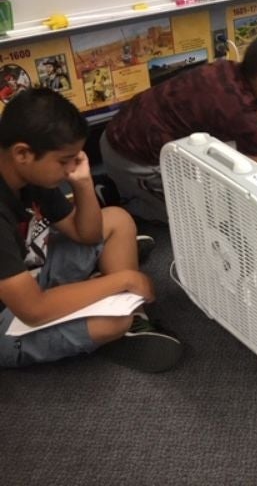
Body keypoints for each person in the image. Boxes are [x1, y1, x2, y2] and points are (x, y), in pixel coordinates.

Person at [101, 31, 257, 268]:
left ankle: (121, 188)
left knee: (227, 163)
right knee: (194, 218)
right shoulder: (238, 114)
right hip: (130, 157)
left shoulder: (229, 69)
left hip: (125, 127)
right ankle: (118, 196)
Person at [0, 89, 182, 372]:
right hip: (11, 314)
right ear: (22, 153)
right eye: (64, 161)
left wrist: (82, 184)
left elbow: (87, 234)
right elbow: (32, 309)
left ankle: (123, 309)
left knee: (118, 220)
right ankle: (120, 318)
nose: (71, 167)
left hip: (30, 272)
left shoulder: (27, 173)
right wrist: (123, 279)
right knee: (113, 321)